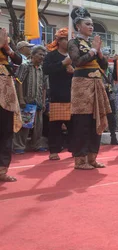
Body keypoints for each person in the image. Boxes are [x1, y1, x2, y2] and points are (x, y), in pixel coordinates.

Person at [68, 7, 112, 170]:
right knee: (82, 122)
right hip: (82, 84)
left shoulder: (91, 43)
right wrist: (93, 50)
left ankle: (92, 158)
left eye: (92, 24)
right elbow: (77, 61)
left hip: (96, 83)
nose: (91, 27)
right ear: (78, 26)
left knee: (96, 120)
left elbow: (104, 66)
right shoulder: (74, 42)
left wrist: (99, 52)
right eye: (87, 24)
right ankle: (80, 159)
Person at [43, 28, 74, 160]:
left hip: (73, 95)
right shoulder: (52, 55)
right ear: (59, 41)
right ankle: (54, 150)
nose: (68, 42)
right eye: (65, 39)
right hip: (57, 95)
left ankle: (75, 149)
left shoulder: (74, 56)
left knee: (74, 125)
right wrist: (63, 64)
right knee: (55, 125)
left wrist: (74, 71)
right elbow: (46, 69)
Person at [13, 45, 48, 154]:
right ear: (32, 55)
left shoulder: (43, 69)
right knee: (24, 124)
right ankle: (19, 146)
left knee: (38, 125)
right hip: (26, 100)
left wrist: (43, 102)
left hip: (37, 100)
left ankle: (37, 144)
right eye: (39, 54)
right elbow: (18, 82)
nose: (42, 57)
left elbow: (44, 87)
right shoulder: (25, 66)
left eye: (43, 55)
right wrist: (21, 99)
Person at [0, 29, 23, 182]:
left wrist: (7, 48)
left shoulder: (3, 35)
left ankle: (2, 170)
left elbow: (19, 60)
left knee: (5, 128)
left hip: (5, 86)